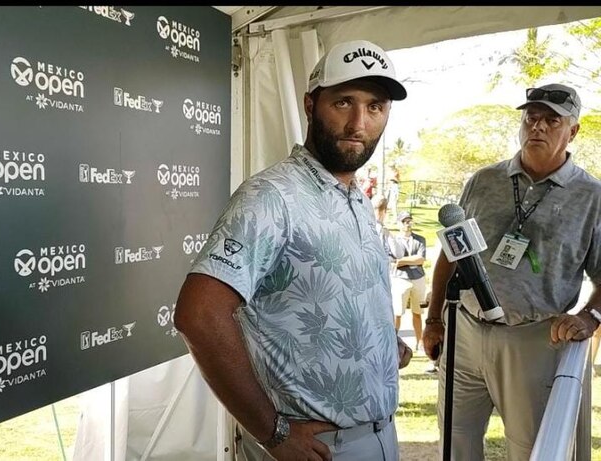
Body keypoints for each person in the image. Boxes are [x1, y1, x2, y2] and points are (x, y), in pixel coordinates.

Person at [173, 39, 411, 461]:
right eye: (343, 102)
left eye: (375, 106)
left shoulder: (354, 196)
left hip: (377, 434)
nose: (359, 122)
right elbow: (199, 314)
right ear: (310, 104)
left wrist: (383, 343)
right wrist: (275, 433)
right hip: (320, 448)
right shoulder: (272, 196)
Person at [422, 83, 601, 460]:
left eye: (552, 120)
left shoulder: (592, 196)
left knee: (532, 449)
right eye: (530, 117)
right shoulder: (484, 181)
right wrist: (435, 317)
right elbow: (451, 254)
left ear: (573, 131)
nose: (537, 126)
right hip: (465, 332)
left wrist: (590, 316)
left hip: (534, 339)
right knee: (454, 443)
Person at [387, 211, 427, 352]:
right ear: (399, 223)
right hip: (400, 279)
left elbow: (421, 259)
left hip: (418, 279)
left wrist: (402, 261)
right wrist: (410, 261)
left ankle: (420, 342)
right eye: (404, 221)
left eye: (409, 220)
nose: (407, 224)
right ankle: (393, 343)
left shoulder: (420, 240)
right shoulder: (393, 241)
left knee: (418, 312)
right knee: (397, 312)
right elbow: (392, 262)